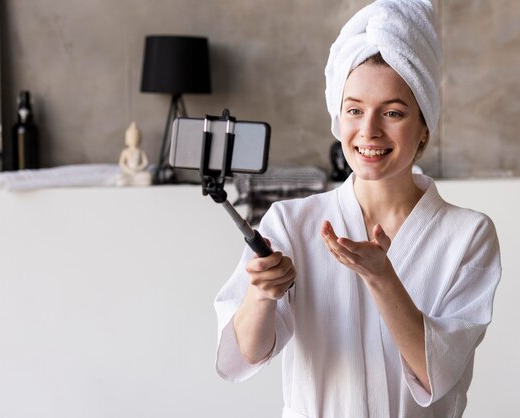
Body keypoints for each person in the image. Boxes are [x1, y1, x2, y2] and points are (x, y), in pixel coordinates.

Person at [214, 1, 502, 417]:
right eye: (354, 110)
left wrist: (382, 277)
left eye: (393, 112)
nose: (369, 130)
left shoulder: (467, 234)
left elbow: (437, 374)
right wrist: (261, 293)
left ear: (424, 126)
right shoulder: (292, 223)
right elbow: (243, 356)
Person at [116, 122, 152, 186]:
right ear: (127, 139)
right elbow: (121, 164)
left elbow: (146, 163)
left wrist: (138, 169)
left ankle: (135, 180)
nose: (133, 139)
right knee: (120, 178)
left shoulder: (141, 151)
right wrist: (129, 171)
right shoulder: (125, 151)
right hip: (128, 173)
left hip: (138, 173)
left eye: (135, 137)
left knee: (148, 177)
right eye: (131, 137)